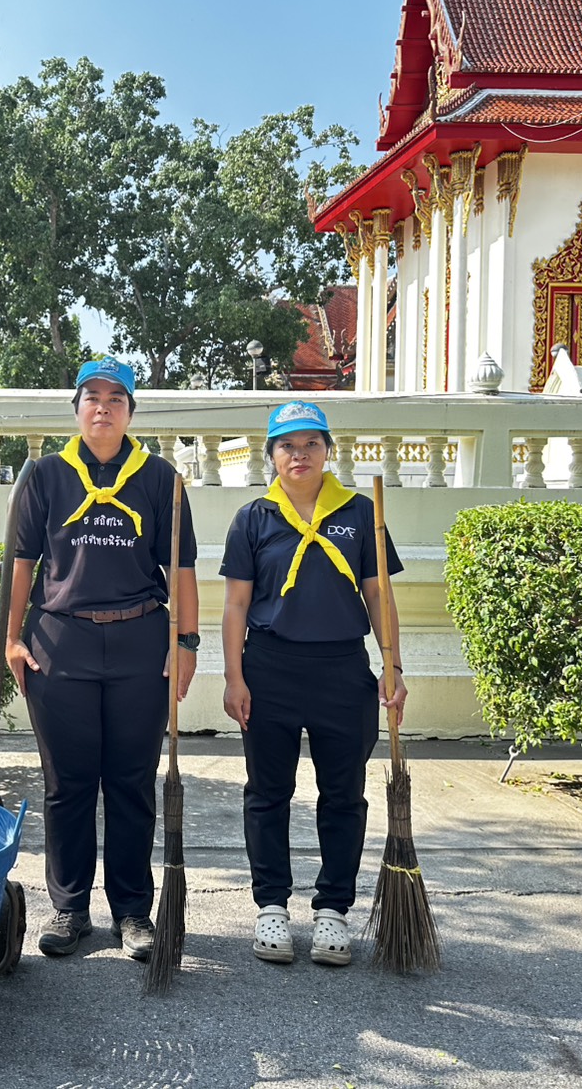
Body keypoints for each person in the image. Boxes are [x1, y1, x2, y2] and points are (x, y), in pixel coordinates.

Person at [5, 356, 200, 963]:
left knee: (131, 782)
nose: (103, 408)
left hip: (141, 640)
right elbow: (21, 564)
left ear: (131, 412)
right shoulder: (45, 475)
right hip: (61, 641)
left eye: (116, 399)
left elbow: (182, 568)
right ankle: (69, 907)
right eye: (92, 397)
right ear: (77, 409)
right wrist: (11, 638)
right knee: (67, 784)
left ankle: (133, 911)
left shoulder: (161, 479)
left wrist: (187, 642)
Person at [220, 400, 407, 967]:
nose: (298, 454)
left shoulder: (361, 513)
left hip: (342, 670)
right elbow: (235, 604)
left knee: (343, 795)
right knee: (267, 792)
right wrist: (233, 677)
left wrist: (393, 666)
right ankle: (271, 905)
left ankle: (333, 909)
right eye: (287, 445)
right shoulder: (253, 518)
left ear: (328, 450)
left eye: (310, 444)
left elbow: (378, 595)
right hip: (269, 668)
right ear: (271, 454)